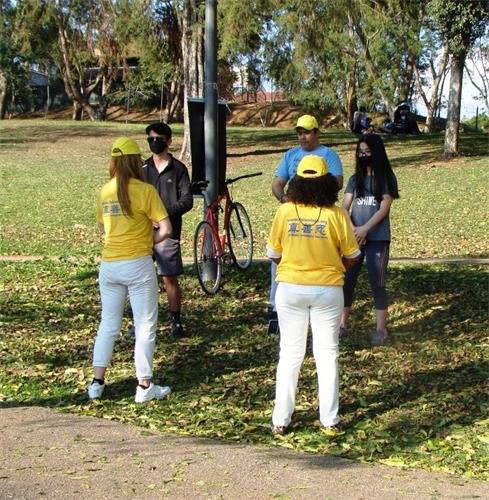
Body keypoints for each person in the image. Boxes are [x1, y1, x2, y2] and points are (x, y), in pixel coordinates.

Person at [267, 155, 360, 434]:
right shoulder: (337, 215)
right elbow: (352, 256)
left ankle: (281, 419)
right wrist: (334, 268)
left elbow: (274, 253)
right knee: (327, 353)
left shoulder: (284, 212)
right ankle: (330, 419)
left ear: (296, 182)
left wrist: (294, 267)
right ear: (327, 183)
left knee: (290, 354)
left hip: (290, 289)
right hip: (328, 291)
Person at [88, 137, 173, 403]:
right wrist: (150, 240)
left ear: (113, 162)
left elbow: (103, 229)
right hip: (138, 264)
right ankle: (144, 385)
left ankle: (96, 383)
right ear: (137, 162)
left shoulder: (104, 191)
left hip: (110, 264)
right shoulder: (145, 191)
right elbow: (166, 228)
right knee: (145, 324)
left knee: (108, 324)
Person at [269, 114, 344, 333]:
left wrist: (314, 196)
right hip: (293, 214)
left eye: (307, 132)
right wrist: (285, 201)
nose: (303, 137)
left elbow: (337, 182)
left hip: (320, 213)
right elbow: (277, 183)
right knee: (278, 259)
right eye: (299, 133)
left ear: (317, 133)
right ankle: (276, 308)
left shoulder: (329, 155)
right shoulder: (291, 154)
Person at [340, 133, 400, 346]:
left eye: (368, 152)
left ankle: (381, 330)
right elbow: (344, 207)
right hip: (354, 239)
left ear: (377, 153)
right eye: (360, 152)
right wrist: (355, 229)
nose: (364, 156)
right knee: (347, 282)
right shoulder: (355, 180)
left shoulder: (386, 178)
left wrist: (366, 229)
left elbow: (384, 207)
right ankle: (342, 325)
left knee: (378, 284)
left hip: (378, 239)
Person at [143, 122, 194, 338]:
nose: (155, 143)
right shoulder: (143, 168)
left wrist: (163, 215)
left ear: (169, 141)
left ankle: (176, 321)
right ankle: (141, 321)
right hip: (144, 232)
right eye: (150, 139)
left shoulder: (179, 169)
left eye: (159, 139)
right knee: (142, 279)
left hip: (169, 232)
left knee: (169, 277)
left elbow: (187, 201)